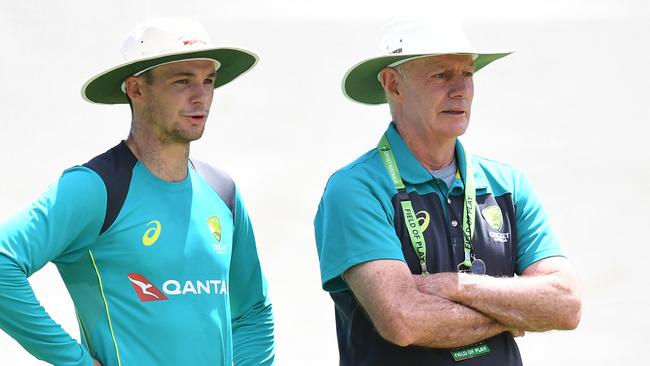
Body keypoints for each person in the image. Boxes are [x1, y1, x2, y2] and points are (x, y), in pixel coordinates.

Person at [0, 18, 274, 366]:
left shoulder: (223, 192)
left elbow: (252, 310)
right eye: (182, 81)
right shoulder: (96, 187)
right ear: (136, 89)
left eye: (208, 81)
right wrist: (74, 361)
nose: (200, 96)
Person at [314, 20, 581, 365]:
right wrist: (515, 312)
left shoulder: (508, 183)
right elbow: (403, 321)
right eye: (440, 75)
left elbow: (566, 304)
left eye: (466, 74)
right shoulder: (354, 189)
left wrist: (458, 286)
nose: (460, 90)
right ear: (393, 84)